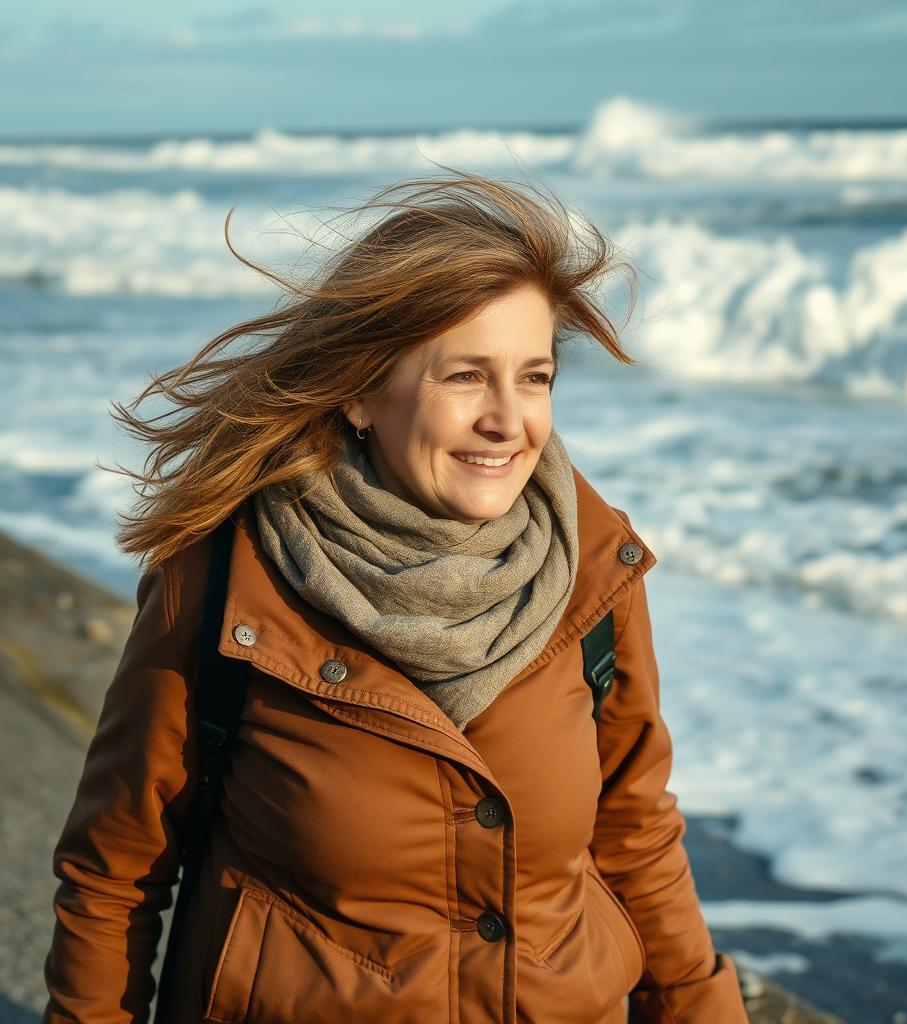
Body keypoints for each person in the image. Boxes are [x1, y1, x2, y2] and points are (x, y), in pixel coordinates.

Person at [42, 171, 748, 1023]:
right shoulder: (227, 579)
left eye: (534, 377)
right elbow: (115, 871)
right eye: (464, 377)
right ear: (361, 391)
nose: (509, 420)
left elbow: (636, 836)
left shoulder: (594, 570)